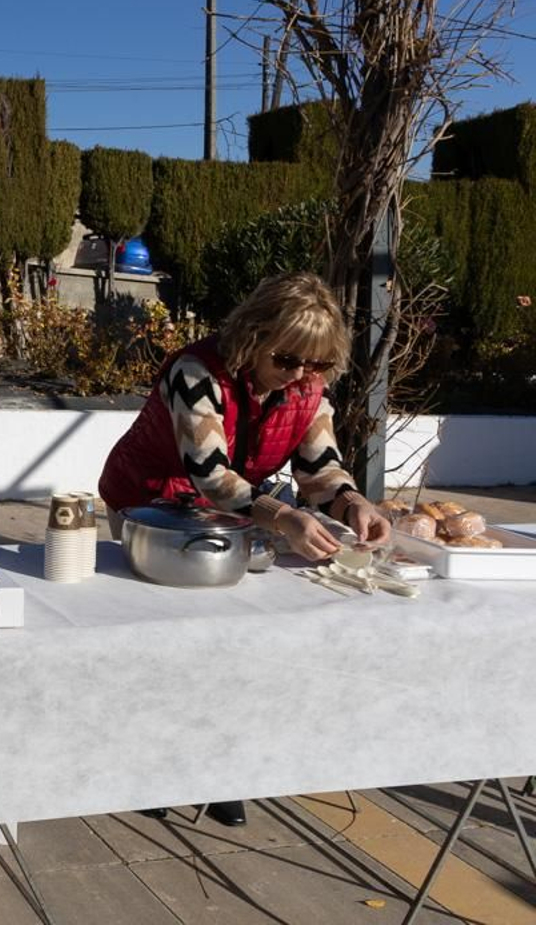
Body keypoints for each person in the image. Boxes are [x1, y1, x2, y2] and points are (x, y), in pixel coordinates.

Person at [98, 271, 392, 828]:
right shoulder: (195, 373)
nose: (301, 376)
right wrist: (284, 517)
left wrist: (352, 502)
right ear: (253, 337)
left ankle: (218, 768)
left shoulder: (307, 388)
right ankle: (146, 764)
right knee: (161, 639)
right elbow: (209, 474)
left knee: (230, 639)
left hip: (232, 517)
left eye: (318, 366)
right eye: (287, 361)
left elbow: (319, 468)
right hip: (150, 507)